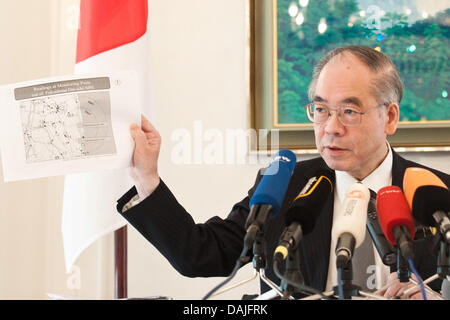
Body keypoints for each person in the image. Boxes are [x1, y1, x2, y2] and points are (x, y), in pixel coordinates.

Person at [116, 45, 450, 299]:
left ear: (390, 117)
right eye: (320, 110)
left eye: (349, 111)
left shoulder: (437, 196)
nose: (330, 128)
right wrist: (147, 178)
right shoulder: (285, 185)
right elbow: (200, 255)